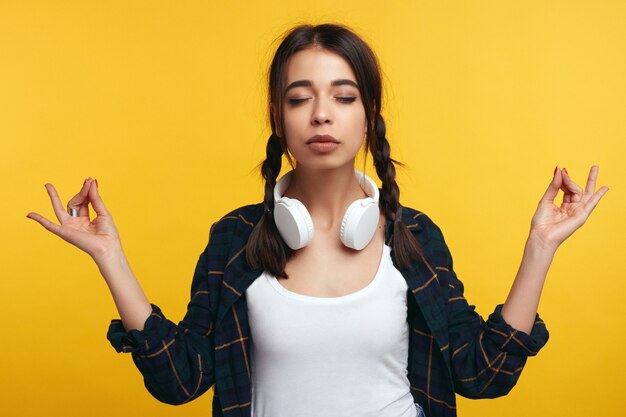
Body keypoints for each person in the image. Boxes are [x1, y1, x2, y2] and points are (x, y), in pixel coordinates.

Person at [26, 24, 608, 417]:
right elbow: (180, 382)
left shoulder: (413, 238)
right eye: (300, 97)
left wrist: (541, 246)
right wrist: (110, 257)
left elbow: (483, 377)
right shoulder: (237, 237)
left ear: (368, 115)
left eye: (344, 96)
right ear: (277, 117)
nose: (322, 114)